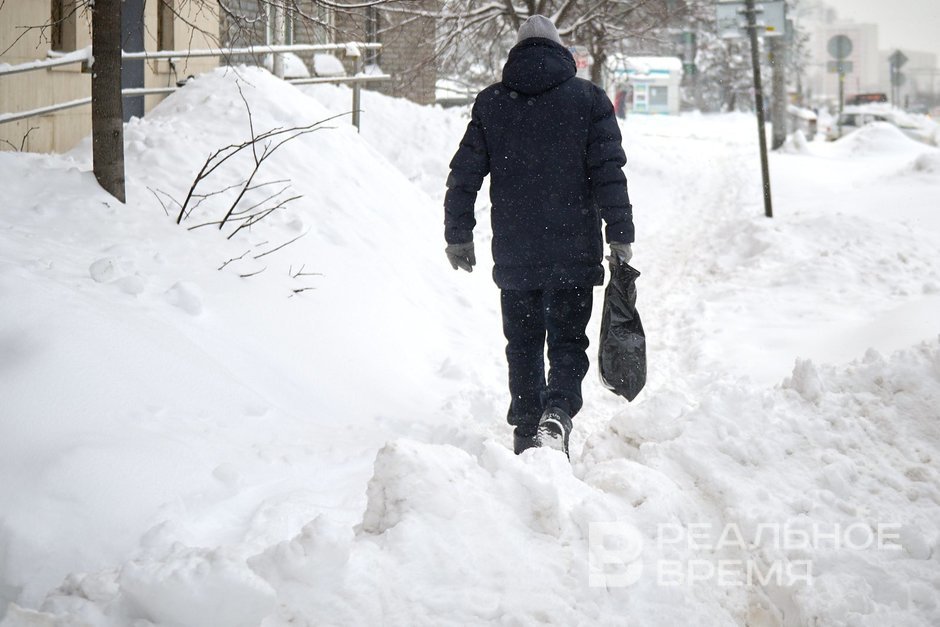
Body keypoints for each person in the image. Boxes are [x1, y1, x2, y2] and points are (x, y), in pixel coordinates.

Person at [443, 15, 634, 458]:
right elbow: (609, 173)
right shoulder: (588, 100)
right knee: (568, 340)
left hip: (517, 250)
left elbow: (464, 175)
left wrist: (459, 234)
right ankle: (558, 414)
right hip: (573, 248)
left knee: (523, 343)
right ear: (560, 51)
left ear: (517, 52)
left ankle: (526, 429)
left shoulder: (492, 103)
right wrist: (619, 234)